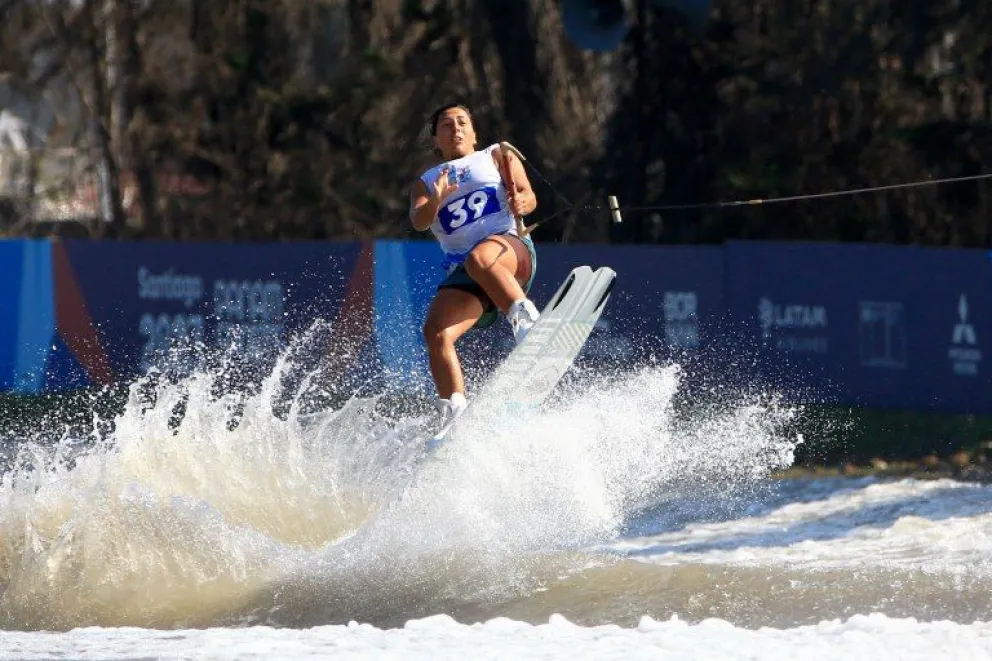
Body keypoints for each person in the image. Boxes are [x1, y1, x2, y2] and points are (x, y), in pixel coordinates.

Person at [408, 102, 541, 444]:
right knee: (436, 332)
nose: (455, 129)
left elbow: (528, 196)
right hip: (468, 275)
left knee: (481, 259)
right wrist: (436, 201)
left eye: (462, 122)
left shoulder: (497, 155)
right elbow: (420, 221)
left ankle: (525, 319)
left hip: (510, 253)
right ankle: (454, 412)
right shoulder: (425, 183)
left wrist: (521, 203)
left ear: (474, 131)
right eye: (446, 125)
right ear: (436, 138)